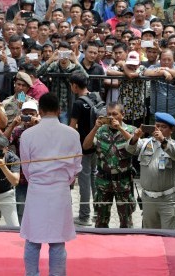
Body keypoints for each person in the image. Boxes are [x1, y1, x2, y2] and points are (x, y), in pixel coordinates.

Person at [20, 93, 82, 275]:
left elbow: (26, 167)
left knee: (33, 240)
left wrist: (39, 180)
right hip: (59, 189)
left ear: (40, 111)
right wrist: (63, 180)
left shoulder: (28, 134)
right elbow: (76, 167)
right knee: (56, 241)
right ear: (59, 110)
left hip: (38, 188)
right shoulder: (72, 134)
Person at [126, 112, 175, 229]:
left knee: (169, 236)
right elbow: (130, 149)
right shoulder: (145, 143)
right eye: (157, 126)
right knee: (149, 237)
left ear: (171, 130)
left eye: (164, 127)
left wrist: (163, 141)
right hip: (148, 199)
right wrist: (135, 137)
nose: (160, 129)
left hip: (168, 199)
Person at [82, 102, 136, 228]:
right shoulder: (101, 131)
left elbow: (134, 146)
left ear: (122, 115)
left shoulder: (130, 130)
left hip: (123, 182)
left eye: (115, 114)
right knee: (101, 221)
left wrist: (120, 129)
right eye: (109, 114)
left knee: (126, 222)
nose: (111, 117)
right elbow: (86, 146)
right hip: (103, 182)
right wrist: (95, 127)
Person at [69, 71, 98, 226]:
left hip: (84, 147)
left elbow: (72, 128)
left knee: (85, 182)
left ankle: (84, 216)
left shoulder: (78, 103)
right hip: (97, 144)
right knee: (94, 178)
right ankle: (98, 212)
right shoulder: (96, 97)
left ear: (74, 86)